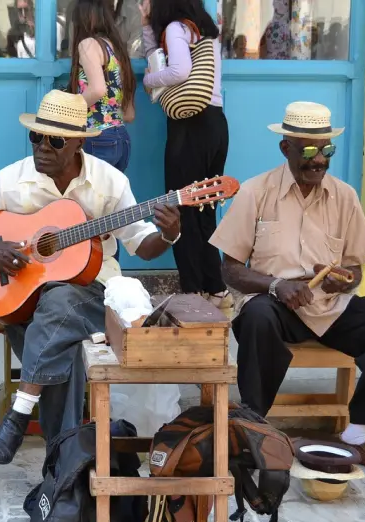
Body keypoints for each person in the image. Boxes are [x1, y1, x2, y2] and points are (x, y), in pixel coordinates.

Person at [0, 90, 181, 464]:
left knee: (62, 299)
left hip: (92, 297)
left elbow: (141, 244)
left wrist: (167, 234)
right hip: (25, 303)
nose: (42, 148)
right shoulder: (12, 179)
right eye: (36, 137)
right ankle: (64, 465)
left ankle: (22, 419)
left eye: (54, 141)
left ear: (77, 145)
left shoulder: (109, 182)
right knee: (62, 346)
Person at [208, 101, 365, 475]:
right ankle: (254, 428)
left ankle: (359, 435)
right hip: (276, 306)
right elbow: (231, 270)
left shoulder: (345, 196)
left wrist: (345, 279)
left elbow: (355, 268)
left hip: (329, 308)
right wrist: (276, 285)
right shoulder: (256, 191)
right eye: (307, 150)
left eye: (326, 150)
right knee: (255, 316)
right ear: (284, 148)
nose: (318, 159)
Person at [141, 0, 231, 310]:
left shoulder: (176, 29)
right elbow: (160, 56)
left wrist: (148, 80)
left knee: (181, 207)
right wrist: (146, 24)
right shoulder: (205, 32)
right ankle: (216, 288)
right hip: (216, 124)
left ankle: (194, 290)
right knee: (205, 208)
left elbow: (178, 70)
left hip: (190, 127)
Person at [68, 0, 136, 172]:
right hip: (121, 138)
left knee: (89, 197)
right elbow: (129, 115)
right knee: (110, 198)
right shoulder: (117, 49)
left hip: (97, 137)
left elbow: (98, 89)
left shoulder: (88, 44)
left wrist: (68, 109)